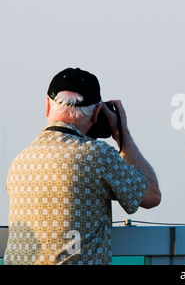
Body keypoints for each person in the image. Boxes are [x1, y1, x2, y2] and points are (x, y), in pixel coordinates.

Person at [4, 67, 161, 265]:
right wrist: (122, 133)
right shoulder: (96, 156)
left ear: (47, 105)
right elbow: (152, 195)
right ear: (96, 113)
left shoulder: (21, 161)